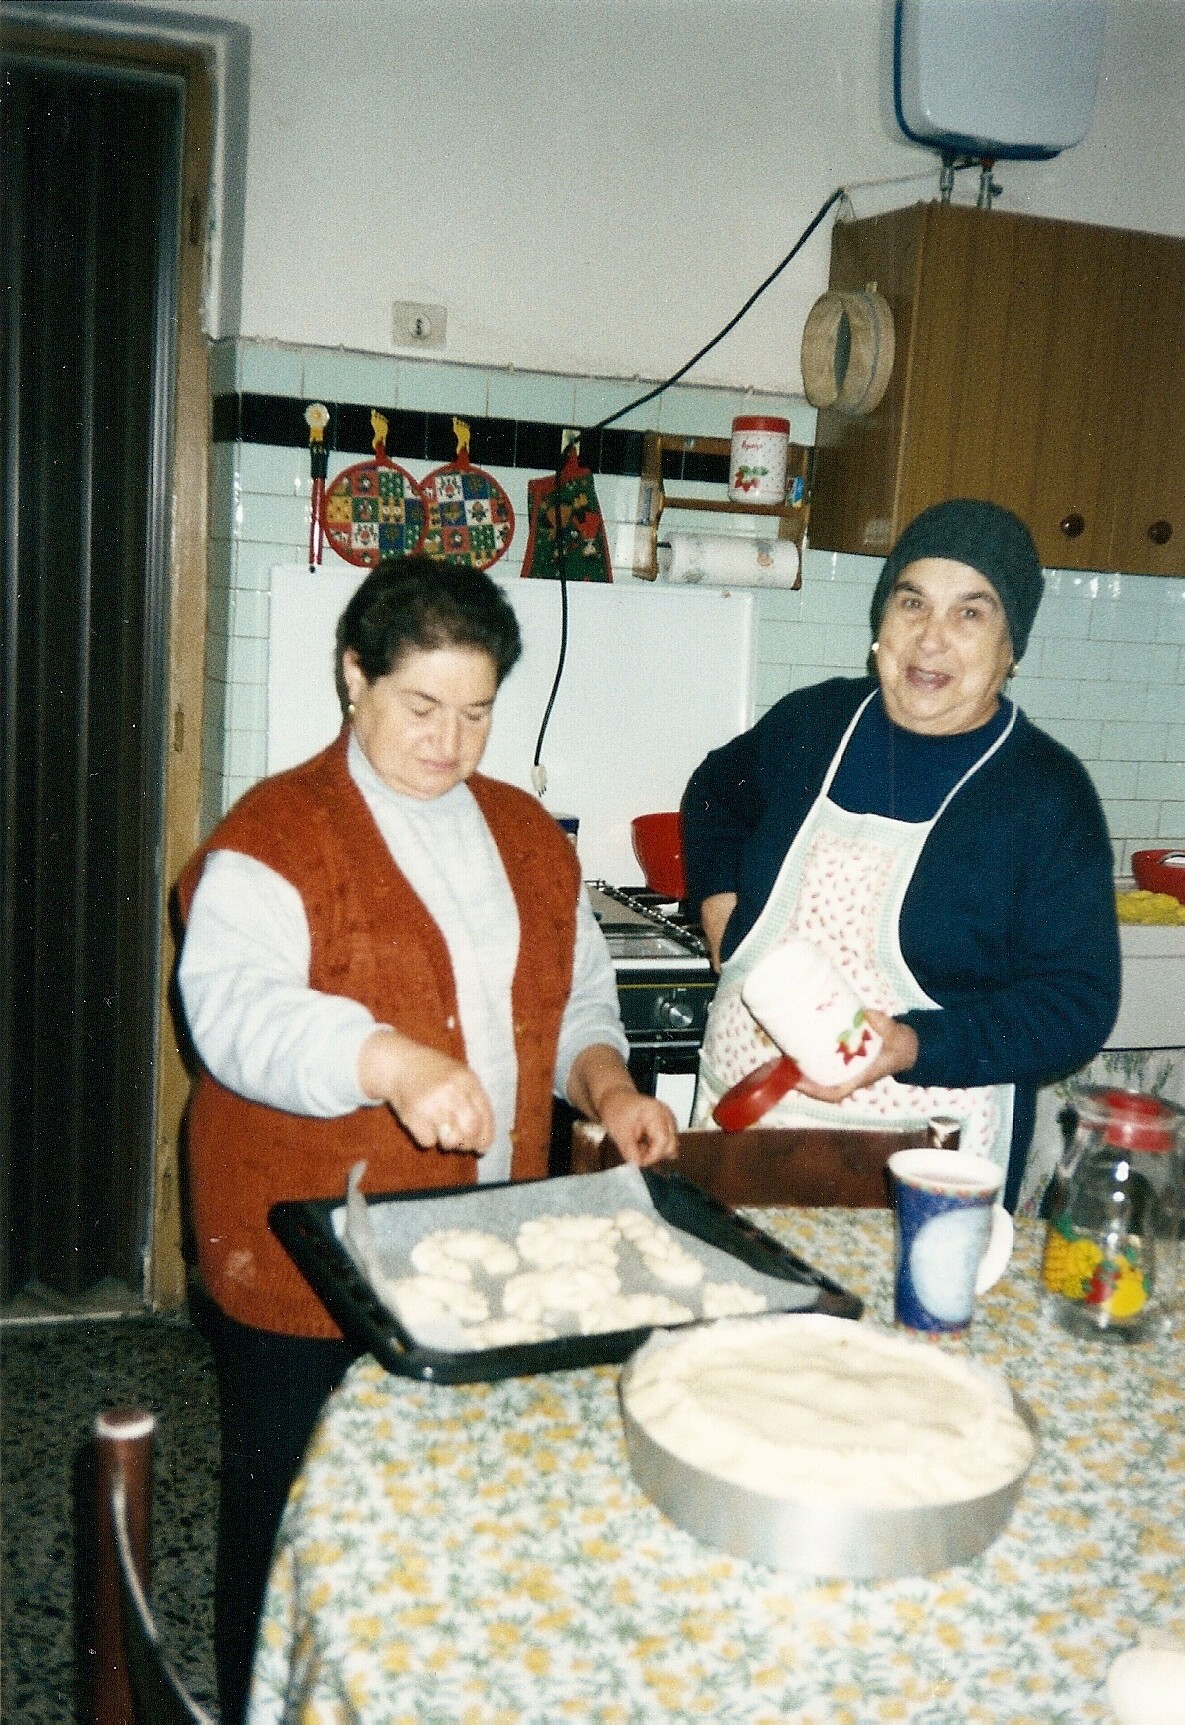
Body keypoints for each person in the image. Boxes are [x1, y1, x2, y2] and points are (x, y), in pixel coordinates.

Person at [175, 555, 677, 1722]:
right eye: (421, 706)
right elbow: (233, 1014)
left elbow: (576, 1004)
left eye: (477, 711)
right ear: (354, 677)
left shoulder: (528, 834)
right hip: (304, 1258)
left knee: (446, 1502)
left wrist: (607, 1089)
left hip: (471, 1250)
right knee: (292, 1515)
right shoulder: (274, 833)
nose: (450, 743)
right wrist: (390, 1062)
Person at [681, 497, 1120, 1215]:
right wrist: (720, 903)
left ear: (1010, 648)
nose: (930, 639)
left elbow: (1075, 1005)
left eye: (970, 613)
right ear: (880, 622)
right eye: (911, 602)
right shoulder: (813, 722)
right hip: (741, 1127)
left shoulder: (1044, 792)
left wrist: (913, 1043)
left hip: (921, 1159)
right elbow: (715, 791)